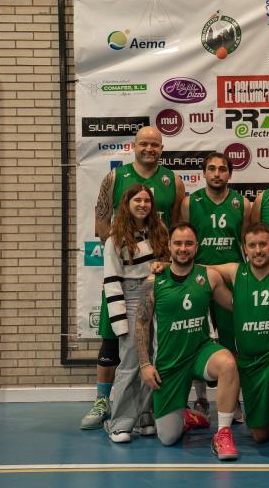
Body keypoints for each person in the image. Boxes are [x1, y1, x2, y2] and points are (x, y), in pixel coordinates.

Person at [81, 125, 185, 430]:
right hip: (124, 276)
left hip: (156, 279)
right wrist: (124, 253)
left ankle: (145, 412)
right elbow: (101, 223)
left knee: (154, 346)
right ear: (134, 146)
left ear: (161, 148)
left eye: (155, 144)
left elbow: (178, 228)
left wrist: (159, 260)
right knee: (114, 339)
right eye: (144, 144)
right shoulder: (115, 177)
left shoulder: (173, 181)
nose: (149, 148)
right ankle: (104, 401)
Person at [134, 223, 240, 461]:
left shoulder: (208, 276)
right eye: (178, 243)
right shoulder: (153, 282)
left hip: (201, 351)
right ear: (169, 246)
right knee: (168, 438)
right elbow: (140, 324)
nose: (183, 248)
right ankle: (189, 416)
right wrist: (144, 364)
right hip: (170, 361)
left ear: (196, 246)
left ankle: (223, 433)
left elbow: (235, 306)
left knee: (228, 364)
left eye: (188, 243)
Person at [210, 223, 269, 457]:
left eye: (263, 244)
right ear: (245, 248)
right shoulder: (235, 271)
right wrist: (167, 265)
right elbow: (200, 268)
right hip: (250, 361)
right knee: (260, 434)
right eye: (252, 245)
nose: (258, 250)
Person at [182, 152, 250, 420]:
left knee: (229, 342)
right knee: (193, 340)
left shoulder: (243, 204)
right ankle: (200, 400)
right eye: (211, 168)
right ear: (204, 173)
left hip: (229, 282)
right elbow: (183, 241)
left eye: (222, 169)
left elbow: (246, 243)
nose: (217, 173)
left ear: (229, 174)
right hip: (196, 281)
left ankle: (233, 402)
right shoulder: (190, 203)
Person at [102, 184, 169, 442]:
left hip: (158, 293)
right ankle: (119, 421)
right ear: (127, 204)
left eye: (147, 201)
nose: (143, 205)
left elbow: (168, 263)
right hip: (130, 298)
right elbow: (111, 281)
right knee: (131, 361)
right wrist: (120, 324)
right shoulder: (115, 239)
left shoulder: (160, 231)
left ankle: (145, 416)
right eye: (137, 200)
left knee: (156, 356)